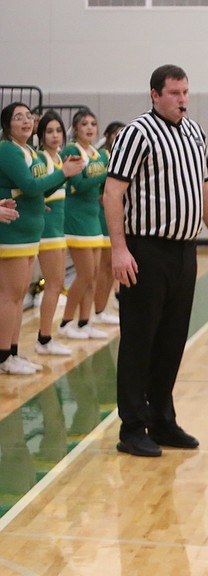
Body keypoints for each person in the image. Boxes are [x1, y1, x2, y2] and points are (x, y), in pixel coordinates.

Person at [103, 64, 208, 457]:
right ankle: (132, 427)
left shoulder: (195, 133)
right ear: (155, 94)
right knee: (140, 340)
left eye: (186, 92)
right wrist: (119, 249)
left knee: (172, 340)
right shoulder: (136, 134)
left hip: (184, 251)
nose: (182, 100)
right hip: (145, 251)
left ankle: (161, 419)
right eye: (174, 93)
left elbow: (205, 191)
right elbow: (112, 194)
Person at [0, 102, 82, 376]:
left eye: (28, 117)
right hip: (13, 231)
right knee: (9, 297)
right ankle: (3, 357)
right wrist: (63, 174)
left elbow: (38, 190)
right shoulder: (8, 150)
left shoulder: (29, 152)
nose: (25, 121)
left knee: (19, 294)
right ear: (7, 125)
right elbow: (30, 185)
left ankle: (13, 352)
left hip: (30, 230)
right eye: (18, 117)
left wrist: (56, 182)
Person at [60, 109, 110, 342]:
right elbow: (79, 184)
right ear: (75, 129)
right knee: (85, 273)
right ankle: (65, 322)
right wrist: (106, 174)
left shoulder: (98, 153)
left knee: (94, 274)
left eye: (93, 123)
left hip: (93, 217)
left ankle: (85, 321)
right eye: (84, 124)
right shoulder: (72, 150)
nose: (89, 127)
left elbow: (101, 187)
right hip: (76, 217)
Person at [34, 111, 72, 358]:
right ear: (41, 135)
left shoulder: (59, 158)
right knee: (53, 285)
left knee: (57, 284)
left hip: (59, 228)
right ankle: (43, 338)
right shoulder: (39, 158)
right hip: (46, 230)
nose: (55, 135)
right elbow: (34, 188)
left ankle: (47, 337)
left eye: (58, 130)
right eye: (49, 131)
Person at [93, 120, 125, 325]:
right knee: (103, 268)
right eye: (116, 134)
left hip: (117, 218)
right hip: (101, 217)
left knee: (108, 268)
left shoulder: (121, 158)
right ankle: (96, 311)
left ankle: (102, 309)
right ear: (107, 136)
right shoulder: (103, 157)